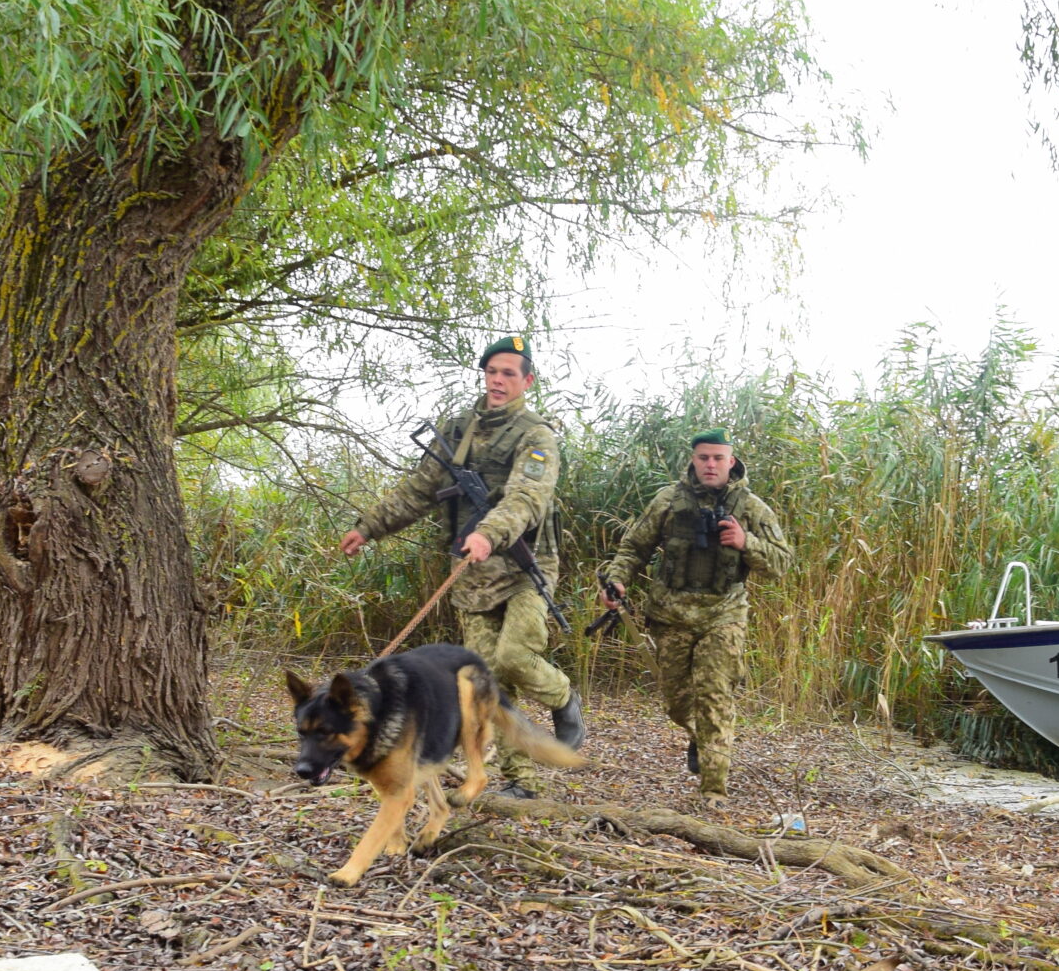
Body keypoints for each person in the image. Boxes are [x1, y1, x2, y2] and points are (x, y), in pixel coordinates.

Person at [338, 336, 583, 797]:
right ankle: (521, 781)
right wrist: (368, 527)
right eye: (492, 371)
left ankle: (565, 698)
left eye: (510, 373)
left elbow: (527, 498)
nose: (499, 380)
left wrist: (489, 533)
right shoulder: (455, 431)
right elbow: (416, 491)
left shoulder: (536, 435)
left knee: (515, 656)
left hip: (525, 568)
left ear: (526, 381)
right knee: (486, 681)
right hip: (472, 573)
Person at [598, 429, 792, 797]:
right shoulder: (668, 500)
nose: (710, 464)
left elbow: (781, 564)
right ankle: (699, 736)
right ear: (693, 459)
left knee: (715, 698)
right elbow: (634, 547)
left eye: (718, 458)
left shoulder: (751, 508)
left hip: (724, 615)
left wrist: (745, 541)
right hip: (671, 616)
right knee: (676, 703)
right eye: (703, 457)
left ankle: (713, 790)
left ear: (731, 461)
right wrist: (617, 581)